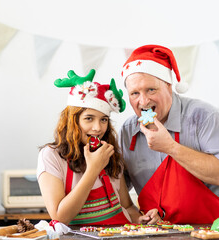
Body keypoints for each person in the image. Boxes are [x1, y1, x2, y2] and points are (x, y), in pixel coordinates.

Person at [119, 44, 219, 224]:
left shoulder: (205, 117)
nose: (143, 101)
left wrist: (170, 147)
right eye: (134, 93)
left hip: (218, 230)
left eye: (151, 90)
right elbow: (118, 190)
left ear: (169, 86)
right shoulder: (128, 131)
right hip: (163, 235)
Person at [37, 69, 156, 226]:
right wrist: (93, 169)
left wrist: (141, 219)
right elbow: (60, 217)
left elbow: (127, 206)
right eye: (89, 119)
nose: (98, 128)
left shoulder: (110, 153)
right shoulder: (52, 156)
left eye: (103, 120)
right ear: (72, 121)